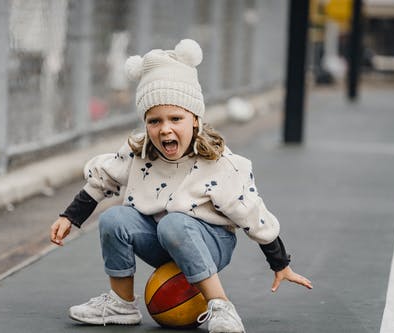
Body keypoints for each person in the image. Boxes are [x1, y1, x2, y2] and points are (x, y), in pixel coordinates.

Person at [50, 39, 312, 332]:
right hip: (163, 240)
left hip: (211, 242)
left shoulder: (218, 163)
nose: (165, 129)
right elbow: (103, 179)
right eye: (154, 121)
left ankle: (222, 307)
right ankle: (121, 304)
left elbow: (251, 213)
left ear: (195, 121)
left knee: (174, 223)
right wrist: (69, 216)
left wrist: (280, 263)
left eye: (176, 118)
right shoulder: (138, 154)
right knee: (113, 218)